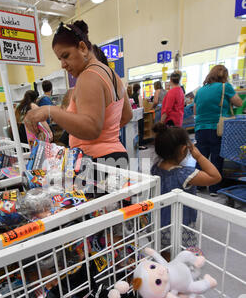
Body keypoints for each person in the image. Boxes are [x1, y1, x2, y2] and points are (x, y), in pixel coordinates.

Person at [24, 20, 133, 171]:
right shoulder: (113, 75)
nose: (63, 64)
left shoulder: (88, 76)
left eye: (66, 56)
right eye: (60, 59)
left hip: (96, 162)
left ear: (82, 48)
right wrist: (106, 135)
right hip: (114, 158)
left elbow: (91, 128)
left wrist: (51, 111)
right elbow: (127, 115)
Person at [150, 122, 221, 255]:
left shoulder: (155, 167)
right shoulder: (185, 174)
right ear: (184, 149)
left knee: (164, 255)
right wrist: (199, 156)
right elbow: (215, 176)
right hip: (181, 227)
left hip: (158, 224)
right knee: (186, 258)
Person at [193, 64, 243, 196]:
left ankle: (199, 185)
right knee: (216, 157)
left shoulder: (201, 90)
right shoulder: (225, 87)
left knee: (201, 157)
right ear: (224, 76)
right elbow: (239, 103)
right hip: (217, 128)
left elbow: (195, 110)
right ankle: (214, 188)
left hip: (200, 128)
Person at [132, 83, 146, 150]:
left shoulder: (131, 96)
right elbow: (141, 105)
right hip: (139, 115)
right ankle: (141, 145)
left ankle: (135, 145)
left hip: (134, 116)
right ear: (138, 89)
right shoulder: (138, 95)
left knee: (135, 131)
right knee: (141, 130)